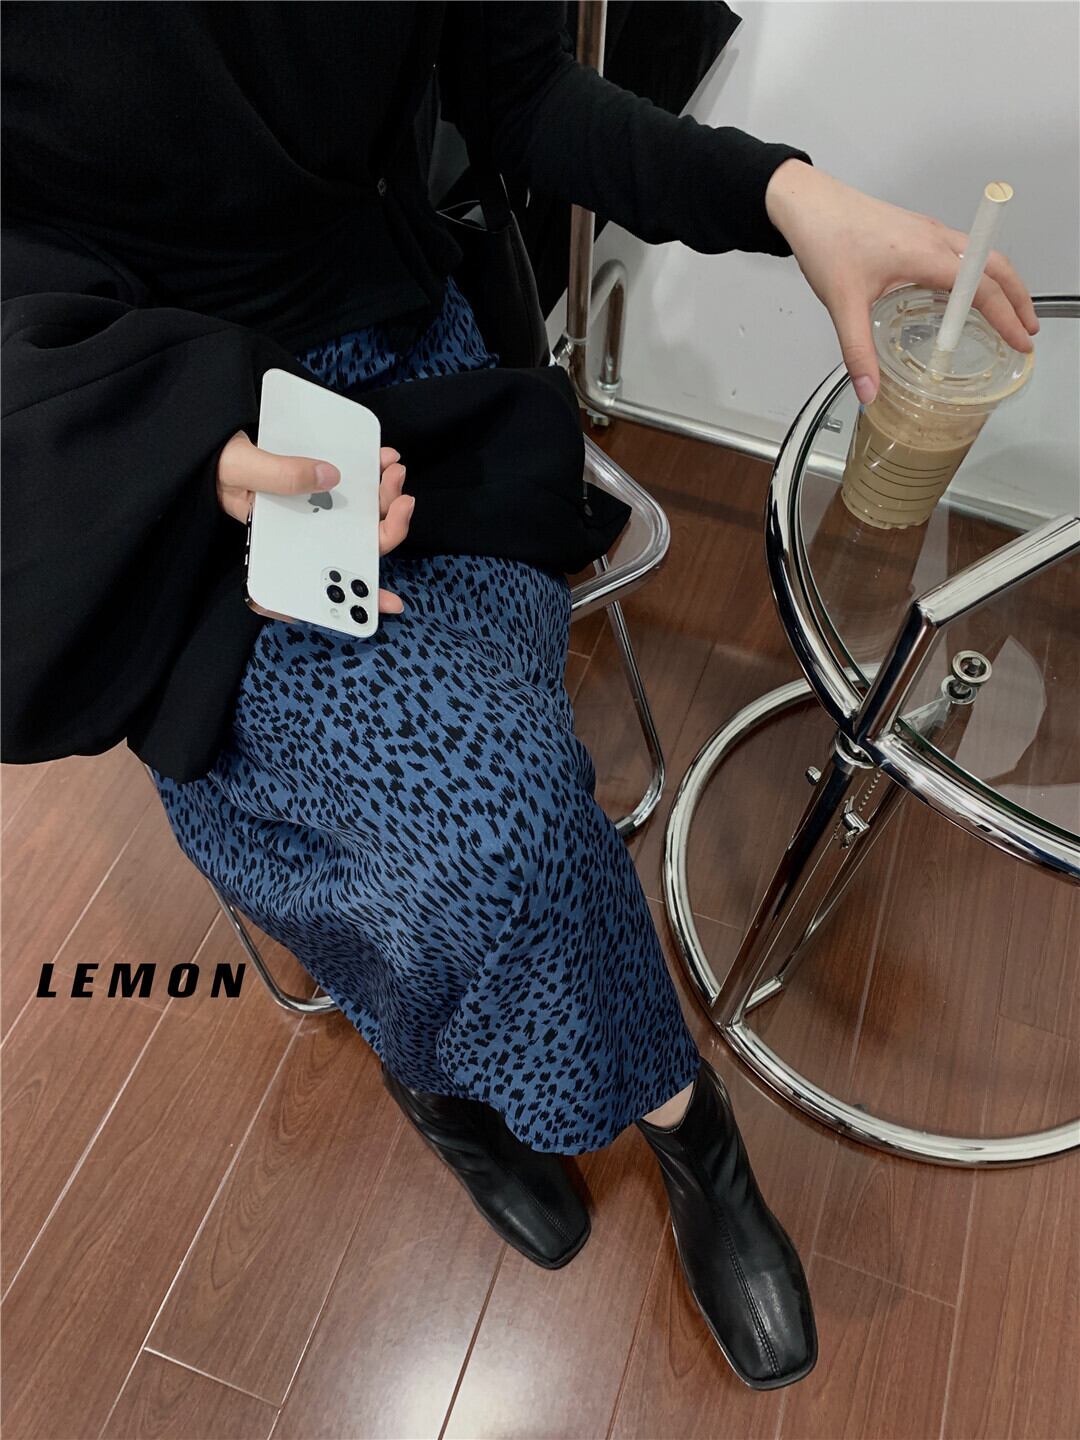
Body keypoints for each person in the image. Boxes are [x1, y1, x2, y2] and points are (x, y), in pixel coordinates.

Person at [1, 2, 1037, 1393]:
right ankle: (535, 1086)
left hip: (414, 387)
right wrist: (180, 456)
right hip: (124, 453)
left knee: (499, 830)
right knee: (448, 840)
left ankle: (642, 1116)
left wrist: (785, 196)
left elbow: (520, 92)